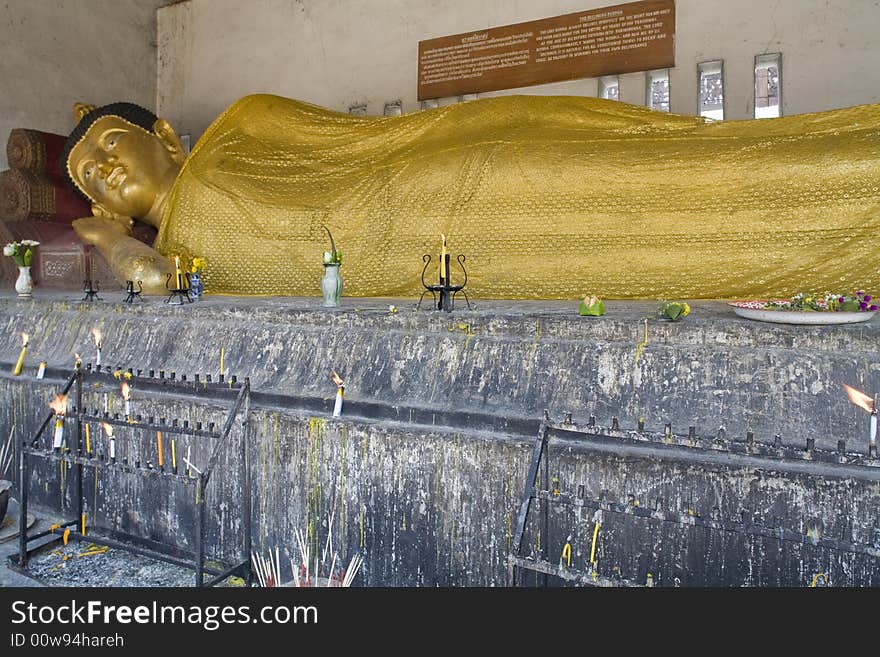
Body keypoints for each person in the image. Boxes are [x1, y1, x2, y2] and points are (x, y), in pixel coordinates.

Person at [63, 94, 880, 298]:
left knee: (628, 173)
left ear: (165, 135)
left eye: (108, 144)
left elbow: (371, 143)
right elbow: (158, 284)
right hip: (429, 257)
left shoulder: (239, 125)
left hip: (440, 178)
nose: (102, 167)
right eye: (89, 178)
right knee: (636, 226)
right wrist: (111, 240)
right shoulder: (173, 259)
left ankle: (846, 167)